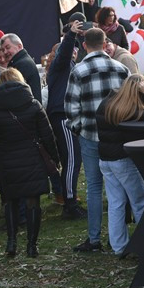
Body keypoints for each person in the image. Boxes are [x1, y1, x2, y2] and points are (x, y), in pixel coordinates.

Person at [65, 28, 130, 253]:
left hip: (91, 135)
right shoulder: (121, 69)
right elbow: (131, 102)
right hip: (117, 135)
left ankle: (94, 239)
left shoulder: (79, 71)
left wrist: (79, 129)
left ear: (84, 45)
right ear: (105, 44)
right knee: (120, 186)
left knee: (94, 187)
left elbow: (71, 106)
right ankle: (120, 238)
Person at [0, 68, 59, 258]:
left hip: (7, 159)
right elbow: (48, 135)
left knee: (10, 201)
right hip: (32, 158)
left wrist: (0, 153)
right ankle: (32, 245)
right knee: (33, 202)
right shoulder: (33, 105)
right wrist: (54, 158)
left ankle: (11, 242)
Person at [96, 75, 144, 255]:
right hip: (123, 160)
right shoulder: (132, 110)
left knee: (116, 202)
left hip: (105, 159)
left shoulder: (107, 104)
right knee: (140, 200)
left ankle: (119, 246)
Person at [46, 19, 86, 220]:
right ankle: (69, 203)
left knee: (71, 160)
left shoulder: (68, 65)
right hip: (63, 116)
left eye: (77, 49)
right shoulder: (61, 64)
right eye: (71, 49)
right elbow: (64, 53)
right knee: (71, 160)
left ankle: (70, 198)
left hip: (65, 115)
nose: (74, 51)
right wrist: (70, 35)